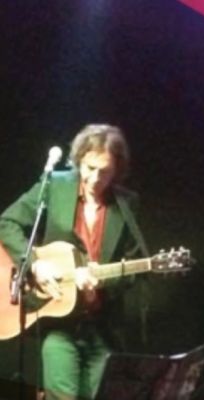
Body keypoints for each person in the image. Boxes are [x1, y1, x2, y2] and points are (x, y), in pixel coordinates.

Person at [0, 124, 149, 399]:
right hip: (58, 322)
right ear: (79, 160)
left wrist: (101, 284)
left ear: (117, 170)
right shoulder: (55, 186)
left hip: (102, 325)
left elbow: (133, 267)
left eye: (104, 171)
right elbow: (6, 223)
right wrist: (34, 263)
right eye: (90, 168)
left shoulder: (127, 204)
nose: (95, 178)